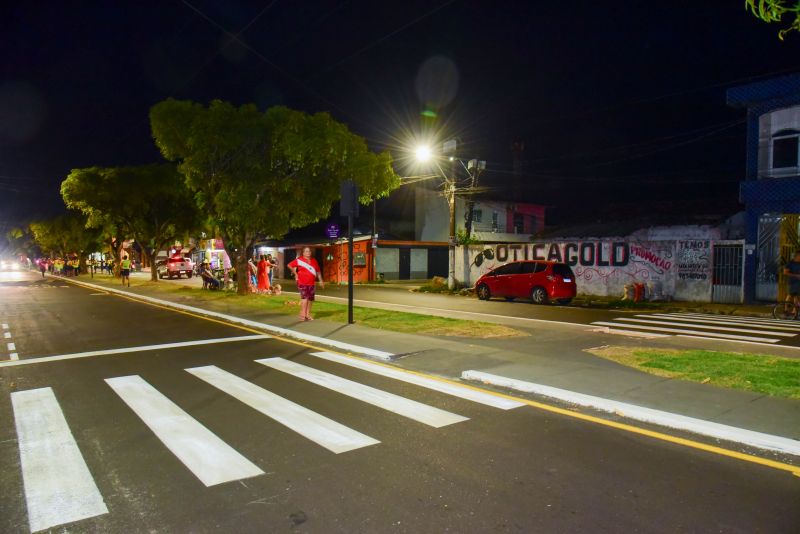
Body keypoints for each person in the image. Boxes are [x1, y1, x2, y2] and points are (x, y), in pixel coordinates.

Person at [288, 247, 324, 321]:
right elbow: (289, 265)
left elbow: (318, 271)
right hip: (302, 282)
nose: (308, 253)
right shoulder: (299, 260)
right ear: (303, 253)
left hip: (312, 283)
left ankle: (308, 315)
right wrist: (295, 274)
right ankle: (302, 315)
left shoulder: (314, 261)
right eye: (306, 251)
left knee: (310, 299)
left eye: (309, 251)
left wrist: (321, 280)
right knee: (305, 298)